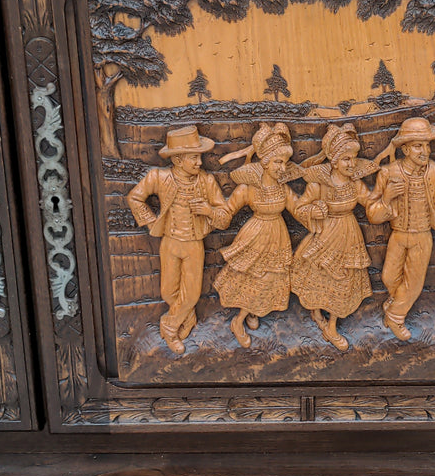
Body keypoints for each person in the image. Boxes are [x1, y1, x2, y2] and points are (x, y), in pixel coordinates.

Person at [213, 122, 322, 348]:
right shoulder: (249, 188)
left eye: (284, 163)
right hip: (256, 235)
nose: (282, 168)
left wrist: (312, 210)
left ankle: (256, 311)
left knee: (271, 278)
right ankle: (239, 320)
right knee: (254, 276)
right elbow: (228, 209)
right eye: (277, 162)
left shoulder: (282, 188)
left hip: (278, 235)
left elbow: (297, 207)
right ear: (264, 162)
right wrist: (210, 213)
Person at [368, 117, 435, 341]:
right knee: (388, 278)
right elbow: (372, 214)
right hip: (397, 236)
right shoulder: (388, 173)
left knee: (414, 283)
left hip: (422, 236)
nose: (424, 151)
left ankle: (395, 316)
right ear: (405, 149)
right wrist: (386, 199)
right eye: (418, 146)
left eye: (427, 145)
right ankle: (396, 302)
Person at [127, 125, 228, 354]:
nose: (200, 163)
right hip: (170, 242)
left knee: (191, 293)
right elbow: (135, 197)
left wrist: (209, 211)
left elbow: (224, 217)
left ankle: (169, 327)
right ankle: (188, 318)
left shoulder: (207, 182)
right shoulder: (159, 177)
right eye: (194, 158)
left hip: (194, 244)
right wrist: (151, 222)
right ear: (178, 160)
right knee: (168, 292)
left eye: (200, 157)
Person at [292, 124, 391, 351]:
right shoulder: (319, 185)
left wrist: (387, 198)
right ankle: (317, 313)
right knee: (319, 278)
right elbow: (300, 208)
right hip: (324, 235)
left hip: (348, 234)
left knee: (343, 280)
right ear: (334, 161)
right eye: (346, 159)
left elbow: (370, 202)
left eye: (354, 158)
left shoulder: (355, 184)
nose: (351, 163)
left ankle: (332, 326)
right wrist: (313, 211)